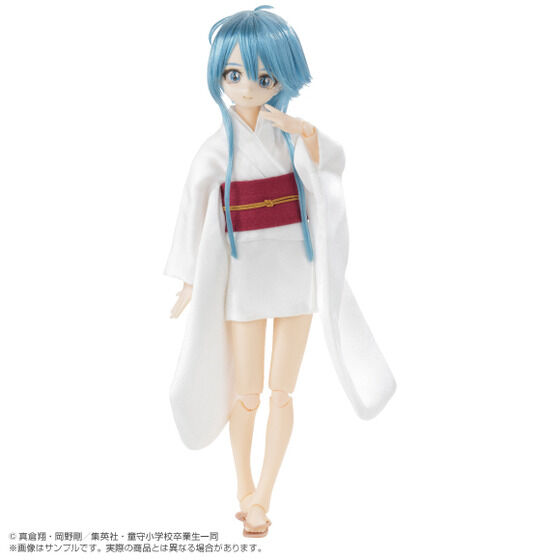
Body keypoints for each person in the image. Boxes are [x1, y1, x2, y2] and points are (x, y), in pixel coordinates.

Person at [164, 6, 396, 537]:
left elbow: (331, 165)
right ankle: (242, 485)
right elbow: (192, 210)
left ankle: (264, 494)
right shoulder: (215, 149)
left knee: (282, 392)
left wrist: (303, 130)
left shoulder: (289, 136)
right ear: (220, 76)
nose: (247, 87)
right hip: (243, 274)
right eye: (234, 74)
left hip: (295, 266)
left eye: (264, 77)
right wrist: (190, 279)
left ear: (282, 79)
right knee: (246, 392)